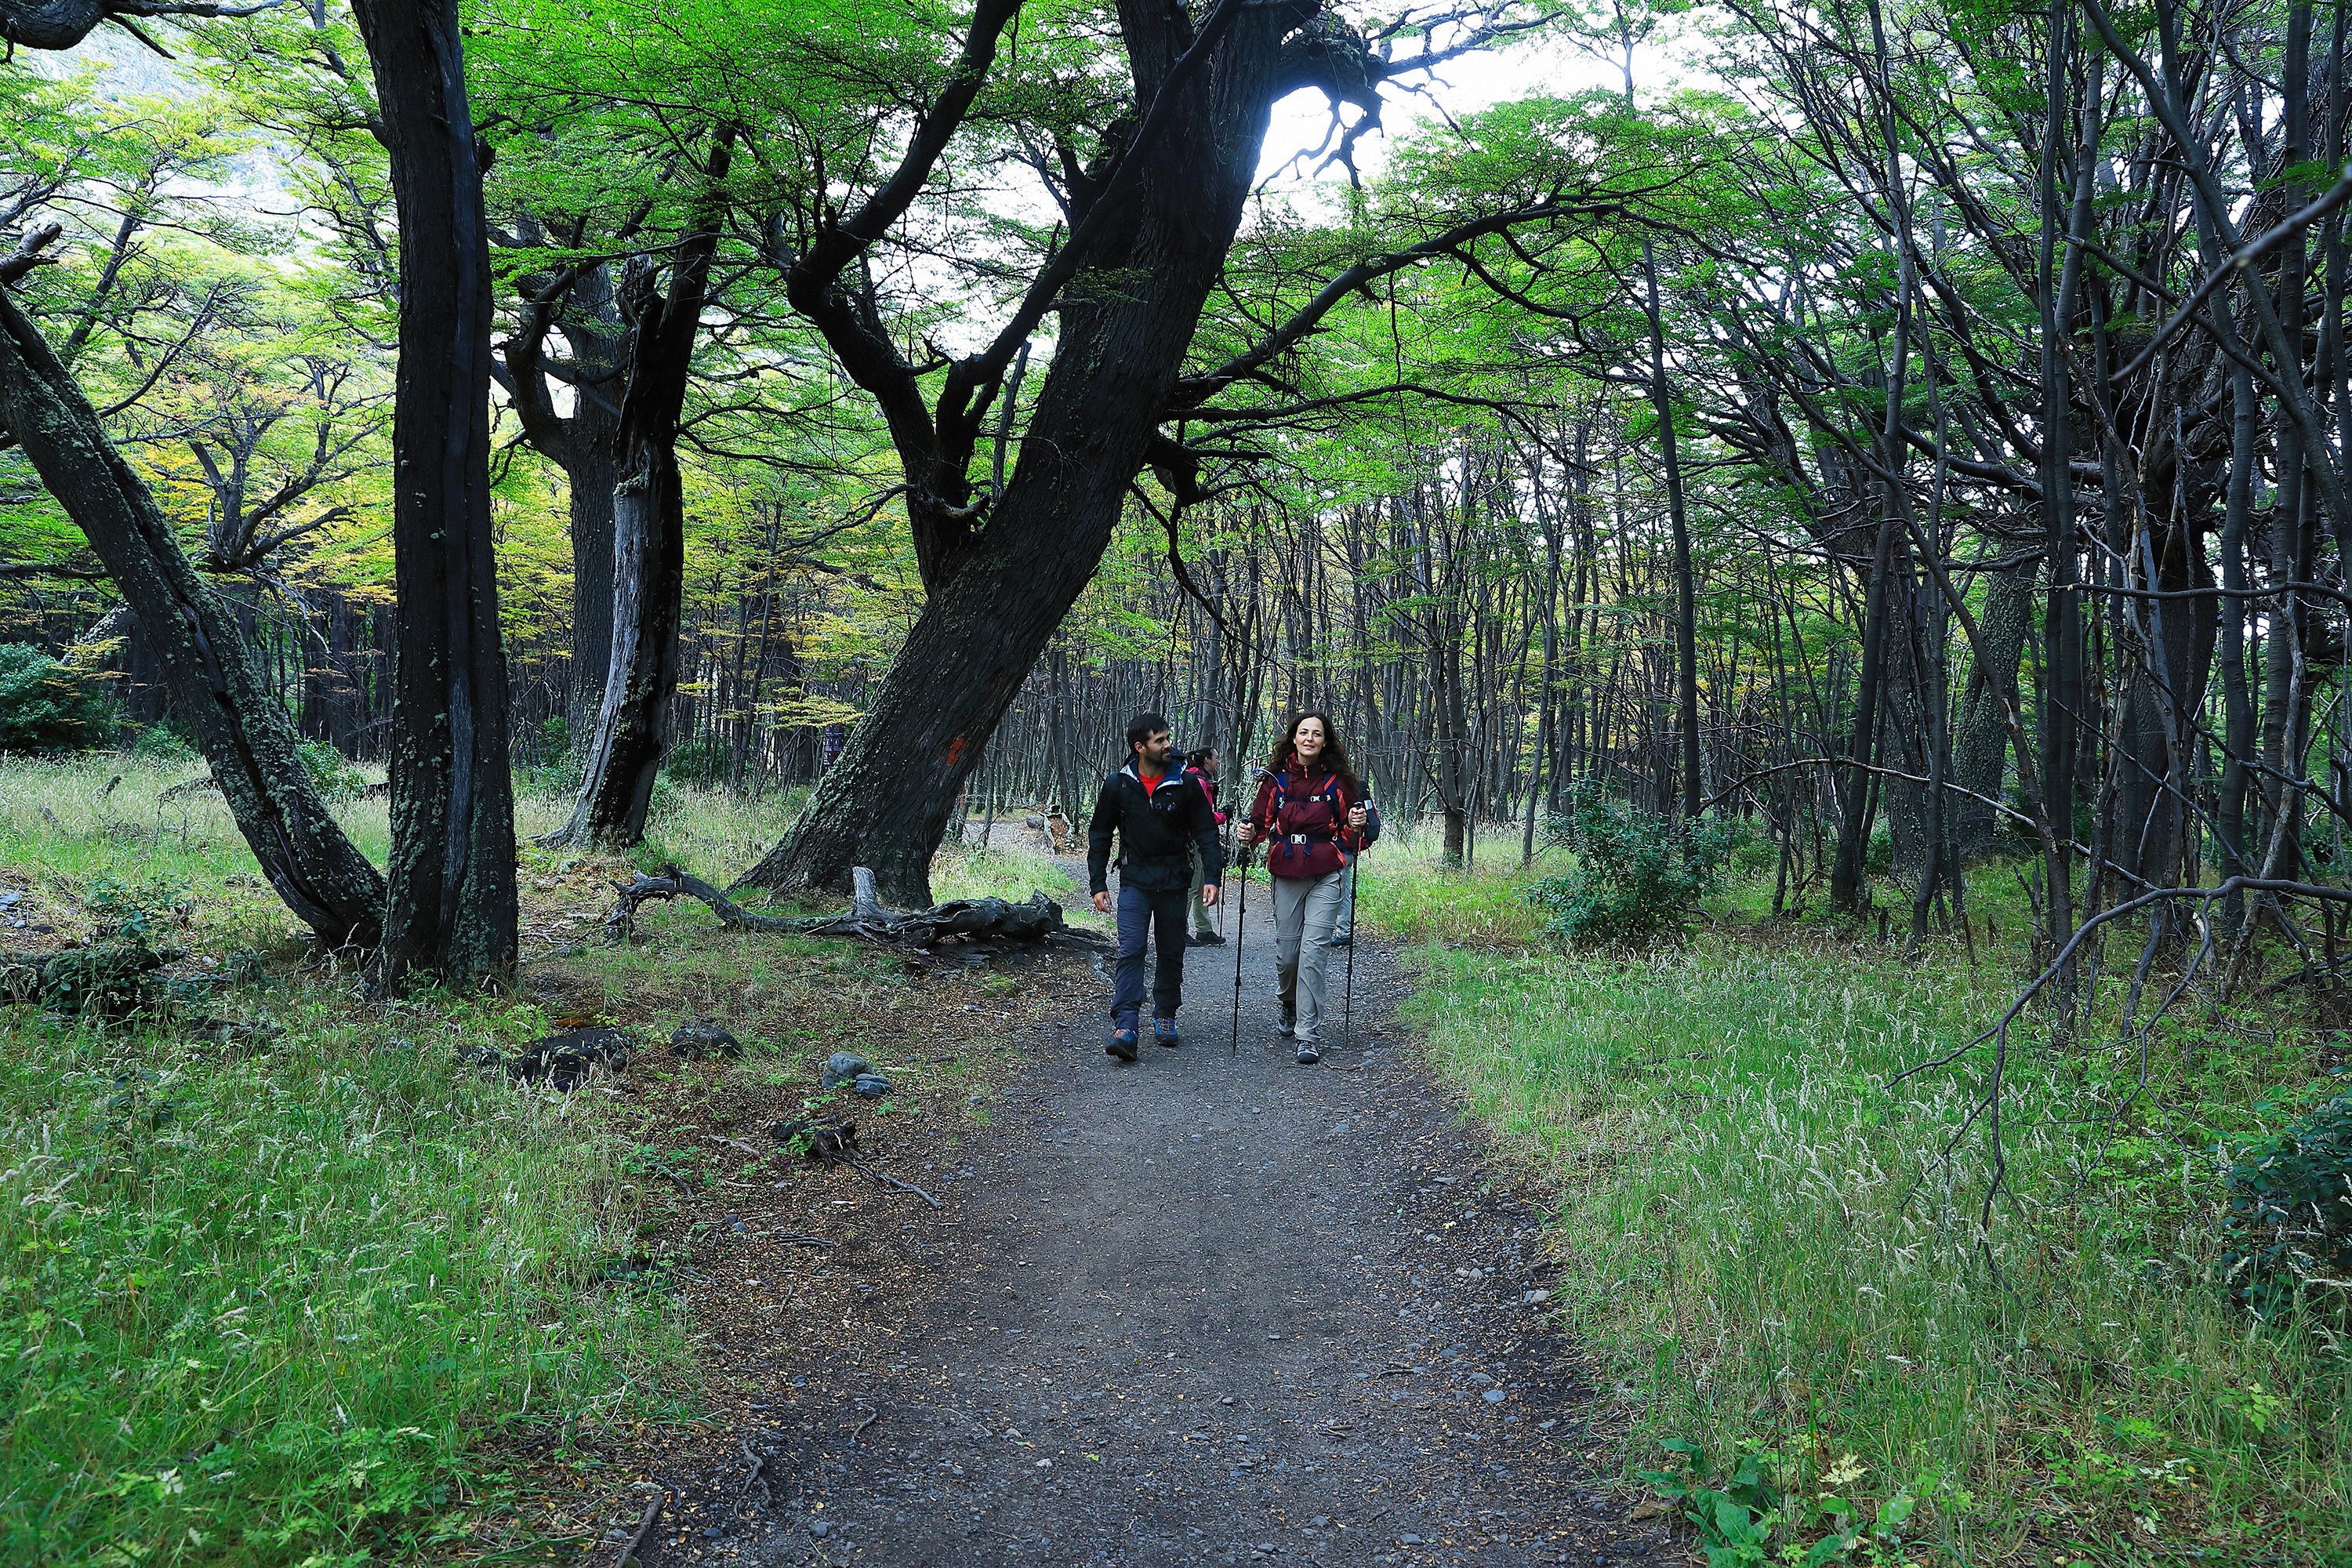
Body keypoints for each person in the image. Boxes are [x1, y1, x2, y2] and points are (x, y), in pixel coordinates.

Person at [1235, 711, 1370, 1065]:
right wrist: (1247, 836)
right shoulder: (1275, 781)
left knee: (1314, 954)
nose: (1310, 738)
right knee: (1289, 955)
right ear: (1293, 737)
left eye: (1317, 734)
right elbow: (1258, 826)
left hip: (1326, 873)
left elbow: (1358, 833)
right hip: (1287, 873)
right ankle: (1289, 1002)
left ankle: (1307, 1035)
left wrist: (1356, 827)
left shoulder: (1339, 783)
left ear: (1326, 742)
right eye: (1304, 732)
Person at [1087, 713, 1223, 1063]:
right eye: (1160, 740)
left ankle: (1165, 1012)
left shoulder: (1186, 784)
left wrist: (1211, 877)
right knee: (1131, 949)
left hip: (1175, 880)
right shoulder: (1118, 784)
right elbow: (1100, 835)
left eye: (1167, 738)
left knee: (1171, 950)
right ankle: (1126, 1025)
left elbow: (1207, 832)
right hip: (1135, 880)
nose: (1168, 745)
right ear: (1140, 747)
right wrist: (1098, 883)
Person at [1183, 745, 1226, 946]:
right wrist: (1223, 816)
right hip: (1194, 842)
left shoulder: (1200, 779)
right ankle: (1178, 930)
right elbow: (1201, 817)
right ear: (1207, 760)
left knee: (1202, 886)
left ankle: (1204, 929)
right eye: (1216, 757)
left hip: (1196, 840)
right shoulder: (1198, 781)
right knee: (1192, 886)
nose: (1218, 761)